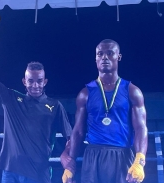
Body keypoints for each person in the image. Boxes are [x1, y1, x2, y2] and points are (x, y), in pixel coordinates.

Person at [61, 39, 148, 183]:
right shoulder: (85, 93)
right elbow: (78, 132)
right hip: (93, 155)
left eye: (110, 53)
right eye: (100, 54)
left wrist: (140, 160)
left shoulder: (132, 91)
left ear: (118, 57)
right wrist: (70, 166)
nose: (104, 57)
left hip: (122, 154)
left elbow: (140, 128)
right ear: (95, 58)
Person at [0, 61, 73, 183]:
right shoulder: (11, 99)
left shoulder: (55, 106)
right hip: (10, 171)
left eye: (39, 81)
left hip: (38, 173)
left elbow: (71, 137)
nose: (35, 85)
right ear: (24, 81)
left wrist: (65, 154)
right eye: (30, 81)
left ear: (45, 82)